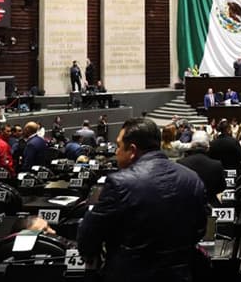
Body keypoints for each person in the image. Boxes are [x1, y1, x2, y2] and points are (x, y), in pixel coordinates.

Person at [78, 118, 207, 282]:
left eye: (118, 146)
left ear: (132, 150)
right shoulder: (192, 178)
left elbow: (88, 239)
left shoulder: (120, 183)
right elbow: (200, 230)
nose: (116, 152)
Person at [177, 131, 226, 204]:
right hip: (210, 205)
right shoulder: (217, 164)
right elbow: (222, 187)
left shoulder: (180, 163)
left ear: (192, 146)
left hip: (187, 205)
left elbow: (179, 188)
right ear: (207, 148)